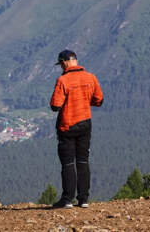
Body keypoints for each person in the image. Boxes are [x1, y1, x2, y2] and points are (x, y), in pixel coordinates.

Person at [49, 49, 103, 208]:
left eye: (61, 64)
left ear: (65, 62)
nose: (61, 67)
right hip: (85, 123)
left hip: (67, 125)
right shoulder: (90, 78)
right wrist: (84, 101)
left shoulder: (63, 80)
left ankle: (67, 200)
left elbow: (55, 105)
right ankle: (84, 199)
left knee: (68, 163)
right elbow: (99, 100)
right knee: (83, 160)